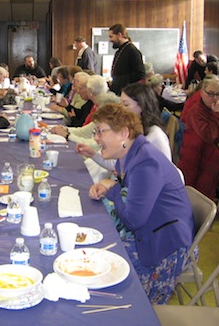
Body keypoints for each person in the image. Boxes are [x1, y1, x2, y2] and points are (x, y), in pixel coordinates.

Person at [88, 104, 194, 304]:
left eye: (101, 131)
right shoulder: (128, 155)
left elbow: (133, 220)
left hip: (163, 245)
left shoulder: (146, 163)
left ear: (123, 134)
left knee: (99, 274)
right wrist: (111, 190)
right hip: (150, 231)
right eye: (96, 132)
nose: (96, 138)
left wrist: (113, 190)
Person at [178, 76, 219, 199]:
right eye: (210, 94)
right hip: (195, 160)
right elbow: (209, 136)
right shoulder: (196, 111)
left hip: (208, 156)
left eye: (218, 94)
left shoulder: (211, 108)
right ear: (202, 92)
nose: (214, 98)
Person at [108, 24, 145, 95]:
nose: (110, 40)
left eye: (111, 37)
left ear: (119, 35)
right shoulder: (120, 50)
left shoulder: (132, 51)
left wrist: (118, 80)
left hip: (126, 92)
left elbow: (140, 74)